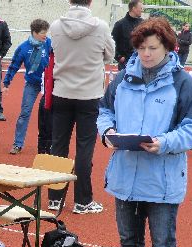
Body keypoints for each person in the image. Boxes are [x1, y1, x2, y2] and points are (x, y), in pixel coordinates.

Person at [96, 17, 192, 247]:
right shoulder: (122, 78)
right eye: (142, 47)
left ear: (168, 48)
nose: (146, 53)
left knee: (163, 246)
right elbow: (104, 111)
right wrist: (107, 132)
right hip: (126, 176)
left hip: (162, 180)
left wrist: (164, 143)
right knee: (129, 241)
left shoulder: (183, 83)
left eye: (152, 48)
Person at [48, 0, 114, 214]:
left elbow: (55, 52)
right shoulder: (101, 26)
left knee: (58, 146)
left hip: (62, 92)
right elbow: (110, 55)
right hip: (89, 94)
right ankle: (82, 201)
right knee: (84, 148)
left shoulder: (56, 26)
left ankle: (54, 198)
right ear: (90, 2)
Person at [3, 19, 51, 155]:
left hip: (48, 83)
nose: (45, 35)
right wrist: (6, 83)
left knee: (50, 114)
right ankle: (18, 144)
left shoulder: (49, 44)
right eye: (43, 33)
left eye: (46, 32)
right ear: (34, 33)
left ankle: (49, 145)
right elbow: (14, 65)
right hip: (32, 84)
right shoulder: (23, 48)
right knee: (25, 113)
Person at [111, 0, 143, 71]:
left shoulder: (143, 23)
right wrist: (119, 57)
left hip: (141, 61)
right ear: (134, 8)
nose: (142, 10)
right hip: (125, 63)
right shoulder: (120, 24)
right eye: (140, 8)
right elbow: (112, 43)